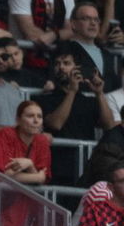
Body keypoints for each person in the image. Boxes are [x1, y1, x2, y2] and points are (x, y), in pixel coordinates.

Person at [37, 52, 111, 184]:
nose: (61, 67)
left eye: (66, 63)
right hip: (58, 165)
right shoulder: (44, 99)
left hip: (86, 166)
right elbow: (56, 124)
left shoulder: (88, 101)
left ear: (77, 69)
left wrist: (99, 93)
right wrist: (72, 91)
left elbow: (109, 125)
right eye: (57, 64)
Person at [0, 100, 51, 187]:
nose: (36, 121)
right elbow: (4, 174)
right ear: (18, 120)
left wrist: (30, 165)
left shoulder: (42, 140)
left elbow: (43, 179)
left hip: (28, 197)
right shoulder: (7, 134)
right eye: (30, 116)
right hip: (1, 193)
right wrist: (37, 177)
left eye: (39, 117)